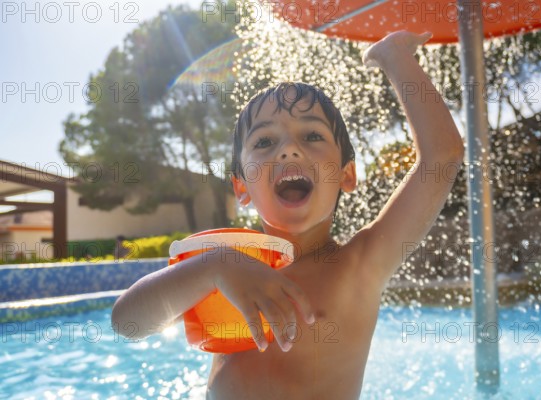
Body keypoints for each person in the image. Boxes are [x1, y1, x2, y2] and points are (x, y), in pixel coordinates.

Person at [112, 31, 464, 399]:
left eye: (311, 136)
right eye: (265, 142)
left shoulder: (360, 264)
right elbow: (127, 323)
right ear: (242, 187)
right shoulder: (227, 268)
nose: (289, 151)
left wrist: (395, 57)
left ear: (346, 174)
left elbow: (442, 156)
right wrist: (212, 267)